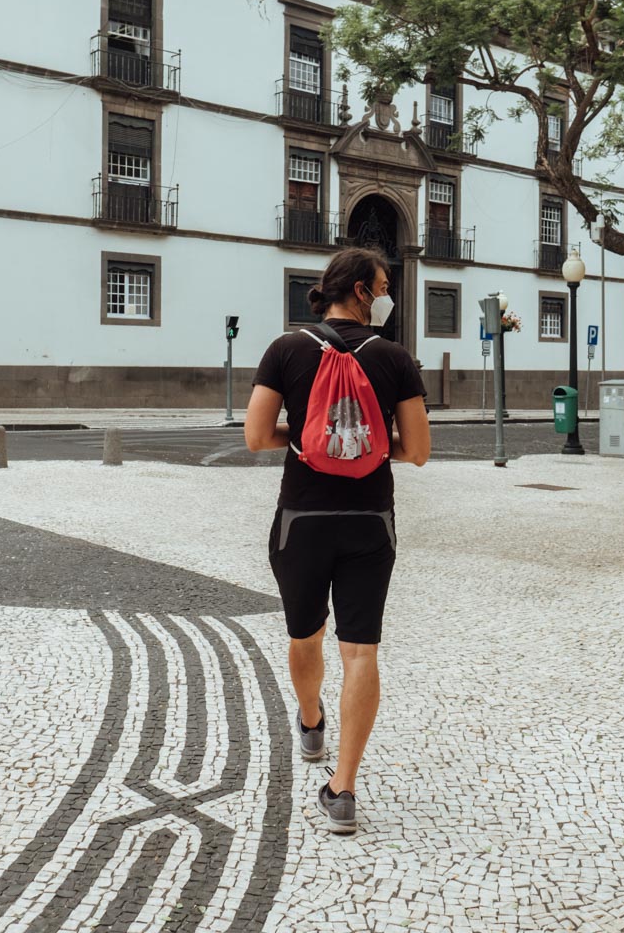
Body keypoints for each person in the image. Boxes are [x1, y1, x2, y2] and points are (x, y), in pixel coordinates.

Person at [244, 247, 430, 836]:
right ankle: (343, 790)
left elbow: (254, 436)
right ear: (359, 290)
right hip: (370, 519)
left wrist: (311, 439)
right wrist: (367, 446)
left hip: (302, 517)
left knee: (305, 632)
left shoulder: (286, 348)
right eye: (382, 285)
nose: (386, 295)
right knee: (360, 651)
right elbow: (419, 450)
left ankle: (310, 719)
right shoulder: (396, 358)